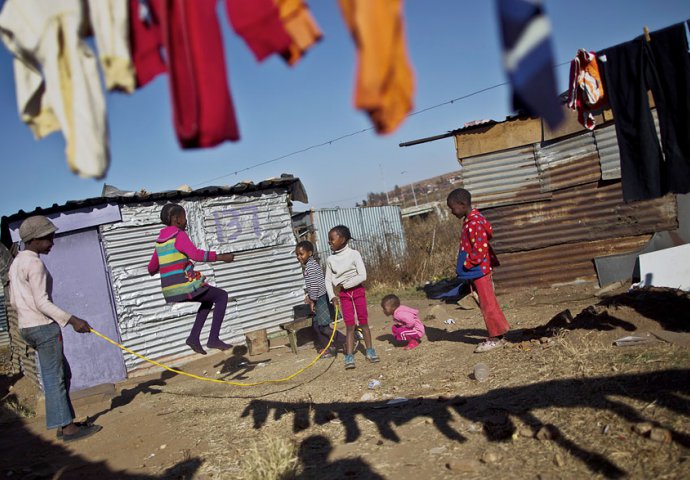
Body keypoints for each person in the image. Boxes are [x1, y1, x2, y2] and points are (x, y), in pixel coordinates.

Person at [8, 215, 102, 442]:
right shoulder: (35, 263)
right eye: (48, 238)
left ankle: (63, 420)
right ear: (35, 239)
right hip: (43, 327)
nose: (52, 242)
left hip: (27, 327)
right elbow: (42, 303)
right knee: (55, 377)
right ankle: (68, 428)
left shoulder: (17, 262)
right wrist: (73, 320)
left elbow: (12, 301)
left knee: (62, 374)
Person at [148, 203, 235, 355]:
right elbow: (196, 255)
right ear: (177, 219)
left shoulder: (160, 242)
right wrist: (221, 257)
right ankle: (213, 338)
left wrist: (167, 263)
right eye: (185, 217)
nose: (187, 221)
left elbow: (151, 269)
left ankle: (194, 338)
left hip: (170, 291)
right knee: (221, 296)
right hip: (184, 286)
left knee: (208, 300)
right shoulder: (178, 235)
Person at [446, 188, 510, 352]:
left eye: (452, 208)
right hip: (478, 270)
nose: (452, 212)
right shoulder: (471, 220)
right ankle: (500, 332)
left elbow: (480, 250)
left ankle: (495, 337)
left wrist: (467, 264)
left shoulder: (474, 223)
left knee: (487, 304)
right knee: (488, 302)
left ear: (462, 204)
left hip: (479, 270)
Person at [324, 225, 379, 369]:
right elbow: (328, 280)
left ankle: (370, 350)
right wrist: (332, 296)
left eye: (332, 239)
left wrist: (346, 284)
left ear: (342, 239)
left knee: (363, 322)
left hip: (358, 291)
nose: (329, 242)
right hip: (343, 295)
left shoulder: (354, 254)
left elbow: (363, 275)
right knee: (349, 325)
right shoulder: (330, 259)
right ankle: (349, 356)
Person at [295, 240, 345, 358]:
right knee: (318, 326)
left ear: (310, 253)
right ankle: (329, 347)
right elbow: (314, 284)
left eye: (301, 254)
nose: (299, 257)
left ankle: (345, 340)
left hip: (320, 299)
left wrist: (312, 300)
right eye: (297, 254)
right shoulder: (310, 265)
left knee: (323, 327)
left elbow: (315, 286)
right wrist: (310, 296)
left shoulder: (311, 266)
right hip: (319, 297)